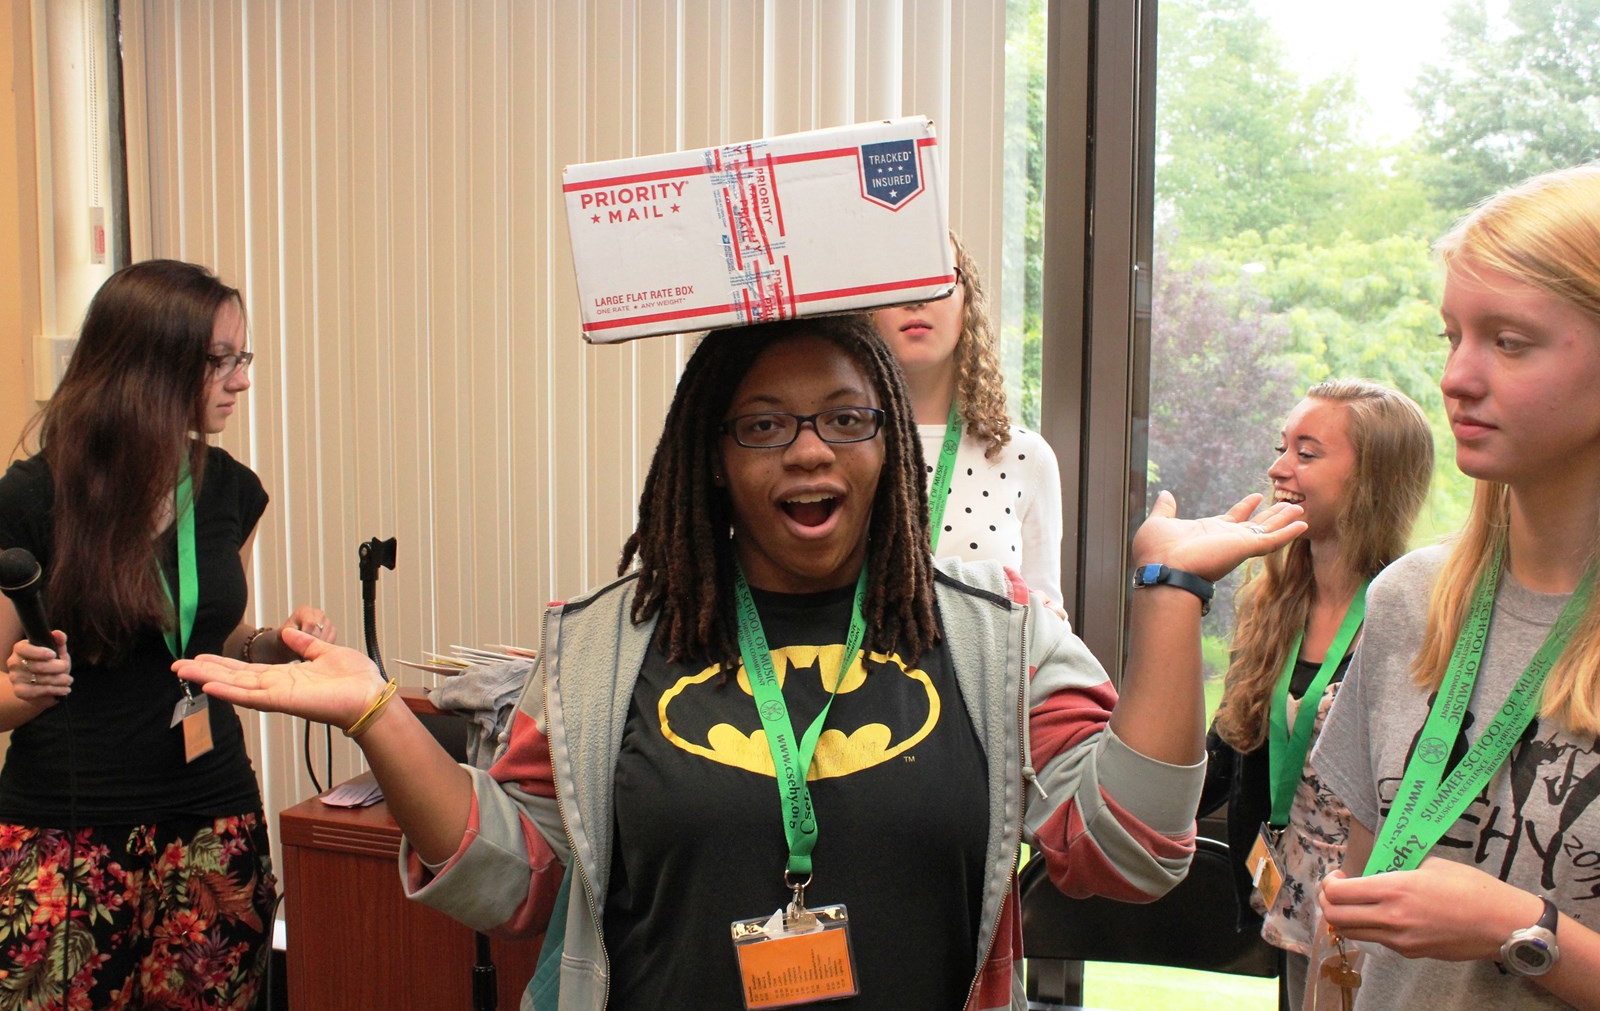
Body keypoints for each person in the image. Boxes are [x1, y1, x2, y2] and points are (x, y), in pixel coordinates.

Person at [175, 313, 1303, 1011]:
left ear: (889, 445)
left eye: (846, 419)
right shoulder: (605, 644)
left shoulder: (992, 632)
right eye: (764, 424)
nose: (809, 449)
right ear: (711, 457)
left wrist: (1170, 591)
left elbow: (1132, 847)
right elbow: (514, 878)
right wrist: (378, 713)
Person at [0, 259, 337, 1011]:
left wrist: (274, 642)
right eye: (221, 360)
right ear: (147, 363)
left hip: (212, 821)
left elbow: (218, 637)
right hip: (68, 836)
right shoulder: (32, 497)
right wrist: (26, 690)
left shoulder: (230, 489)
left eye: (243, 357)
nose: (241, 380)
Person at [1314, 163, 1600, 1010]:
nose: (1456, 377)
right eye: (1453, 335)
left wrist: (1518, 926)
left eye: (1509, 341)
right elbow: (1353, 934)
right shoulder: (1411, 600)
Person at [1198, 378, 1433, 1007]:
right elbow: (1223, 760)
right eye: (1282, 448)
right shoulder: (1272, 604)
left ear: (1374, 479)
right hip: (1286, 898)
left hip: (1375, 916)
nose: (1278, 468)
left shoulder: (1416, 619)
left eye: (1306, 453)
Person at [872, 234, 1066, 610]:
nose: (917, 299)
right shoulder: (830, 451)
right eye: (900, 280)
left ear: (967, 304)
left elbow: (1050, 622)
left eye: (939, 279)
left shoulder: (1026, 457)